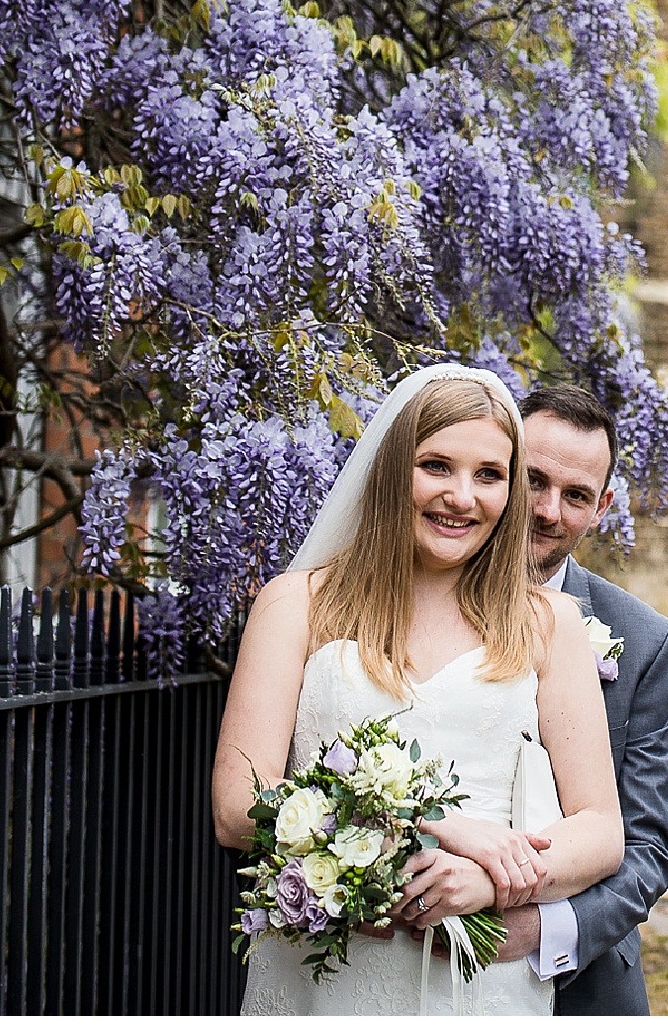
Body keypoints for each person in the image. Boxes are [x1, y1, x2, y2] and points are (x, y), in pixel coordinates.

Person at [215, 364, 623, 1016]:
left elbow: (600, 831)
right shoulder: (296, 607)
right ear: (390, 469)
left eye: (489, 475)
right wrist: (434, 829)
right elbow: (239, 808)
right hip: (326, 973)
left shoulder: (549, 623)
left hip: (479, 984)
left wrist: (491, 882)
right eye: (436, 466)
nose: (462, 496)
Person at [492, 382, 668, 1015]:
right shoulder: (413, 600)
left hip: (583, 987)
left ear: (602, 507)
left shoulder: (643, 639)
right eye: (533, 481)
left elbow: (646, 850)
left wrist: (540, 931)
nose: (549, 511)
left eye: (576, 496)